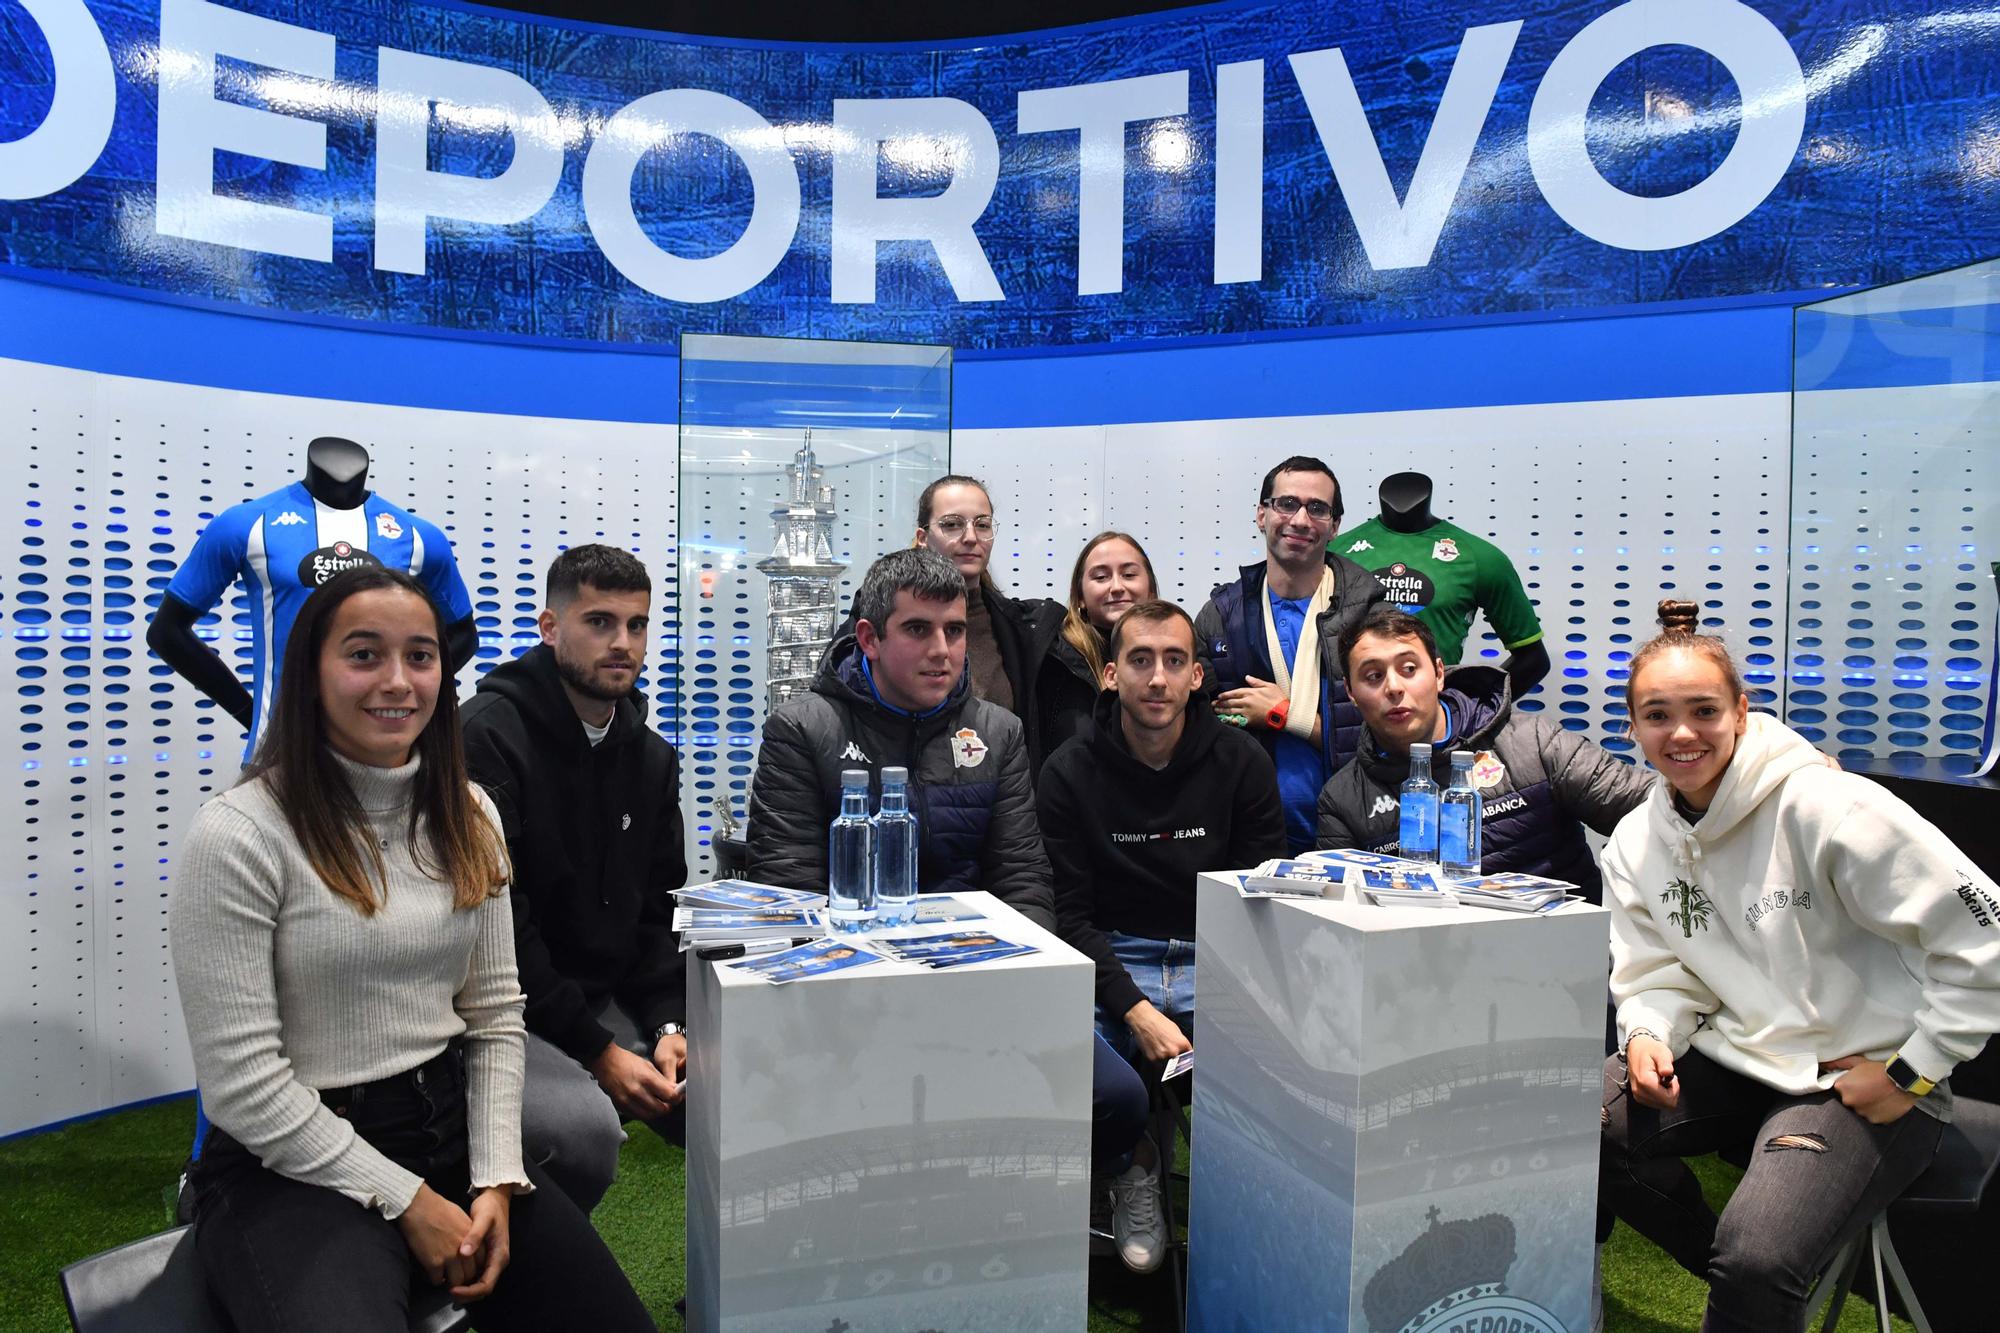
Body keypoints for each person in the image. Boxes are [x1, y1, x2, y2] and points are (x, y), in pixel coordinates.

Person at [169, 567, 654, 1332]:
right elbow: (244, 1089)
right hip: (289, 1168)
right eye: (364, 655)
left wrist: (495, 1177)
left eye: (421, 656)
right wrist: (408, 1200)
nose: (398, 681)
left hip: (450, 1133)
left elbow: (494, 1017)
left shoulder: (468, 811)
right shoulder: (239, 835)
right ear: (312, 671)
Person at [1596, 599, 2000, 1333]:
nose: (1681, 733)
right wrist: (1647, 1029)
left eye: (1703, 710)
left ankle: (1750, 1277)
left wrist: (1915, 1069)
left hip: (1864, 1076)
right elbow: (1656, 967)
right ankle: (1727, 1275)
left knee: (1757, 1259)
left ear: (1742, 711)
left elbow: (1986, 935)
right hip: (1740, 1056)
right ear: (1633, 727)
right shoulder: (1634, 841)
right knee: (1569, 1123)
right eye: (1657, 714)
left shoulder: (1829, 806)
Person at [747, 547, 1148, 1207]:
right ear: (871, 638)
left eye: (955, 630)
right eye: (918, 629)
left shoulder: (997, 733)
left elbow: (1024, 886)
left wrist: (998, 999)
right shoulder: (803, 729)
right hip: (848, 1005)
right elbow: (791, 900)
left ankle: (1005, 1212)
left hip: (979, 990)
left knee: (1118, 1099)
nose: (942, 649)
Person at [1039, 598, 1288, 1273]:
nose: (1157, 677)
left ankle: (1244, 1206)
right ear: (1111, 674)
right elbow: (1069, 915)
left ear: (1197, 676)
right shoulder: (1067, 771)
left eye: (1174, 661)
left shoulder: (1242, 763)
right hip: (1114, 956)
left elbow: (1258, 901)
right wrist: (1135, 1007)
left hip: (1218, 954)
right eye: (1140, 660)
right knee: (1060, 1069)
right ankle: (1135, 1166)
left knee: (1291, 1072)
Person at [461, 545, 686, 1215]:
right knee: (581, 1132)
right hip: (499, 1011)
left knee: (736, 1090)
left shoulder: (650, 757)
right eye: (600, 621)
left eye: (637, 625)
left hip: (606, 1002)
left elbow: (658, 912)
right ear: (549, 626)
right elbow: (500, 931)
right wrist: (601, 1052)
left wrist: (670, 1022)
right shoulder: (482, 738)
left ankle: (722, 1297)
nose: (623, 643)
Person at [1315, 604, 1651, 901]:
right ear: (1352, 693)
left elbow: (1646, 803)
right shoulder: (1344, 800)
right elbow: (1340, 913)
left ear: (1438, 674)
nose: (1393, 687)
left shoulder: (1531, 741)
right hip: (1428, 963)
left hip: (1562, 952)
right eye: (1373, 676)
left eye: (1408, 669)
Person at [1195, 456, 1385, 852]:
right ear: (1261, 514)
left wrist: (1285, 716)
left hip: (1357, 838)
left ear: (1334, 527)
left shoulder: (1372, 617)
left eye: (1317, 509)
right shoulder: (1218, 618)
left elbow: (1394, 740)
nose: (1300, 519)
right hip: (1251, 841)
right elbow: (1200, 737)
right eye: (1287, 504)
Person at [908, 474, 1073, 773]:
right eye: (952, 524)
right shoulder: (880, 615)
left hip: (1003, 800)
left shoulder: (1022, 628)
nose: (970, 537)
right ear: (922, 538)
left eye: (982, 524)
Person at [1036, 531, 1160, 763]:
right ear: (1080, 596)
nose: (1116, 587)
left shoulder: (1177, 656)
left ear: (1150, 590)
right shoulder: (1052, 661)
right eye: (1101, 577)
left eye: (1129, 574)